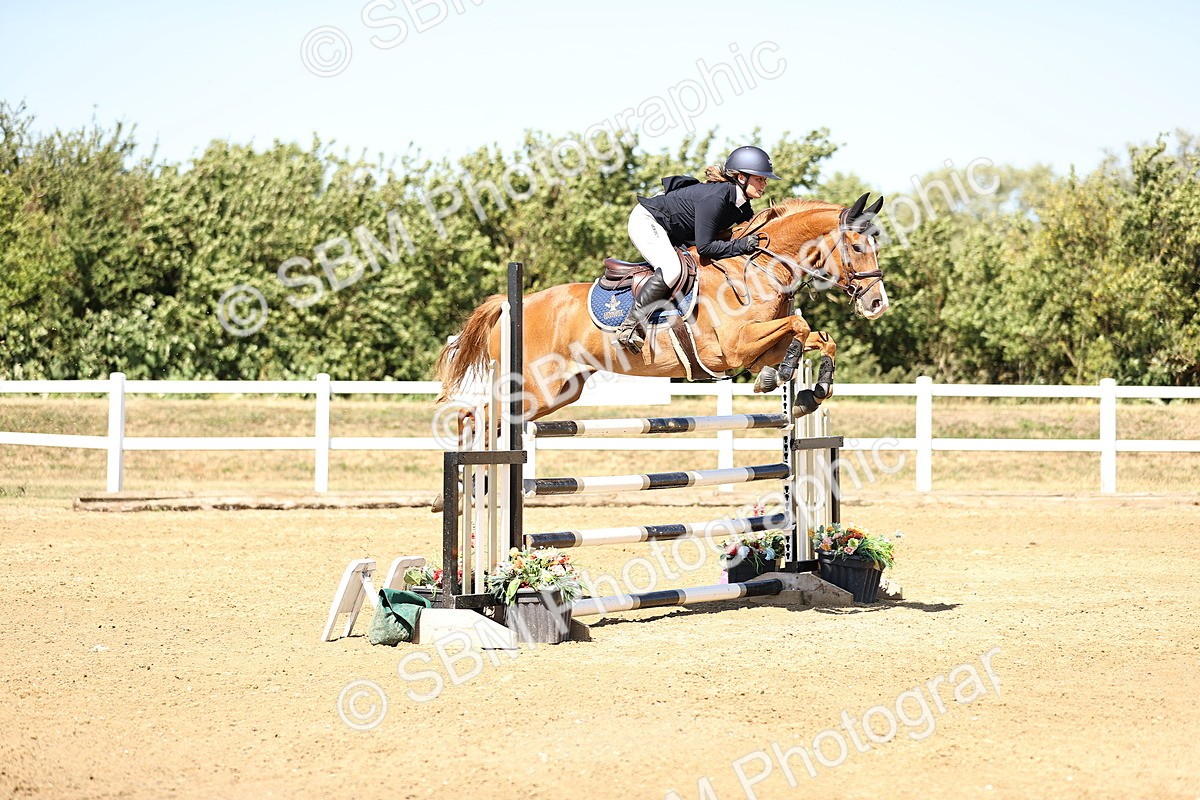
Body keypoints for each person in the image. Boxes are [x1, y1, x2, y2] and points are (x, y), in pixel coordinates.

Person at [614, 145, 781, 352]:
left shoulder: (741, 204)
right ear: (741, 177)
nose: (764, 184)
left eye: (764, 180)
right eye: (760, 178)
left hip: (673, 230)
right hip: (648, 220)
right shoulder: (717, 198)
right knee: (671, 269)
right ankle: (629, 327)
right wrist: (741, 246)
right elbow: (705, 248)